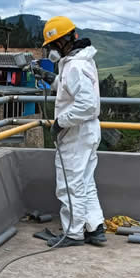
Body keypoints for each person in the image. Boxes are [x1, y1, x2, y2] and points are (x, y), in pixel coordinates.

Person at [42, 16, 106, 248]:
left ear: (62, 42)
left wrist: (60, 122)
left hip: (77, 133)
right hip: (86, 131)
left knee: (69, 184)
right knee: (85, 182)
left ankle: (73, 233)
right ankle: (94, 228)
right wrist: (52, 80)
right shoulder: (78, 61)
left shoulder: (76, 66)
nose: (51, 51)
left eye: (52, 45)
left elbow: (87, 105)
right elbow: (69, 88)